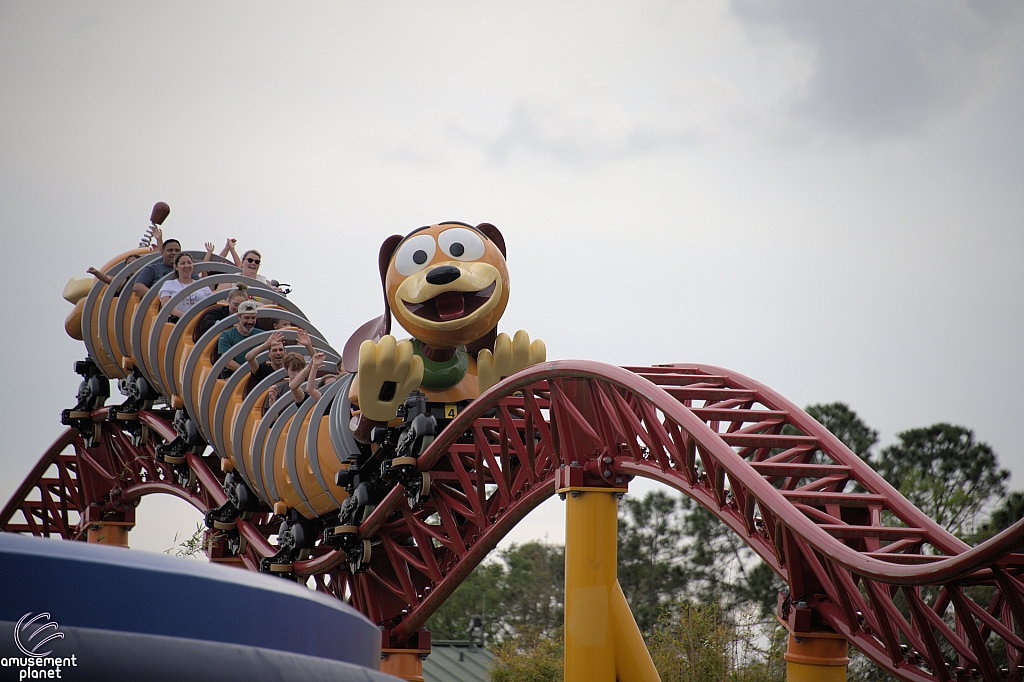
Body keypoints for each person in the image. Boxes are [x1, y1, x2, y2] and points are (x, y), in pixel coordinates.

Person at [158, 252, 214, 322]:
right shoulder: (169, 284)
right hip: (176, 323)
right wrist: (182, 315)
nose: (187, 266)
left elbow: (212, 304)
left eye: (189, 263)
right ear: (176, 267)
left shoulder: (202, 285)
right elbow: (165, 304)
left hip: (200, 323)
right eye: (183, 263)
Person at [217, 300, 259, 374]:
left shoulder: (262, 335)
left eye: (253, 318)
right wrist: (247, 374)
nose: (250, 321)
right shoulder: (226, 335)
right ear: (239, 317)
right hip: (234, 374)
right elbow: (228, 362)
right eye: (246, 318)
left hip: (258, 374)